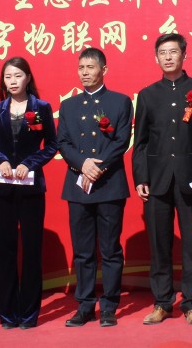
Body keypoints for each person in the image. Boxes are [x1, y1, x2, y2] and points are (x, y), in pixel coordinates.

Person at [133, 33, 192, 326]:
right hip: (157, 180)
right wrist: (141, 177)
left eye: (173, 52)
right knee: (159, 244)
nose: (168, 57)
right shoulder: (147, 95)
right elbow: (140, 142)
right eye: (163, 53)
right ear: (156, 58)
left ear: (184, 55)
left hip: (191, 179)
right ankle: (162, 302)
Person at [57, 47, 132, 327]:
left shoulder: (120, 101)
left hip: (109, 185)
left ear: (104, 70)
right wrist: (82, 164)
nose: (85, 73)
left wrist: (97, 167)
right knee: (83, 250)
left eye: (90, 67)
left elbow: (121, 140)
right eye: (81, 68)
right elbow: (63, 142)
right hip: (78, 186)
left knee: (110, 249)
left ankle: (109, 305)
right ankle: (85, 305)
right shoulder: (68, 105)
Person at [0, 57, 58, 329]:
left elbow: (51, 145)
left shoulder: (41, 108)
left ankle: (28, 314)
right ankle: (6, 313)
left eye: (17, 76)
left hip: (31, 189)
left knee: (31, 250)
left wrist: (30, 163)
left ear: (27, 78)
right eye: (8, 77)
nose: (12, 81)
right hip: (2, 189)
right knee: (5, 250)